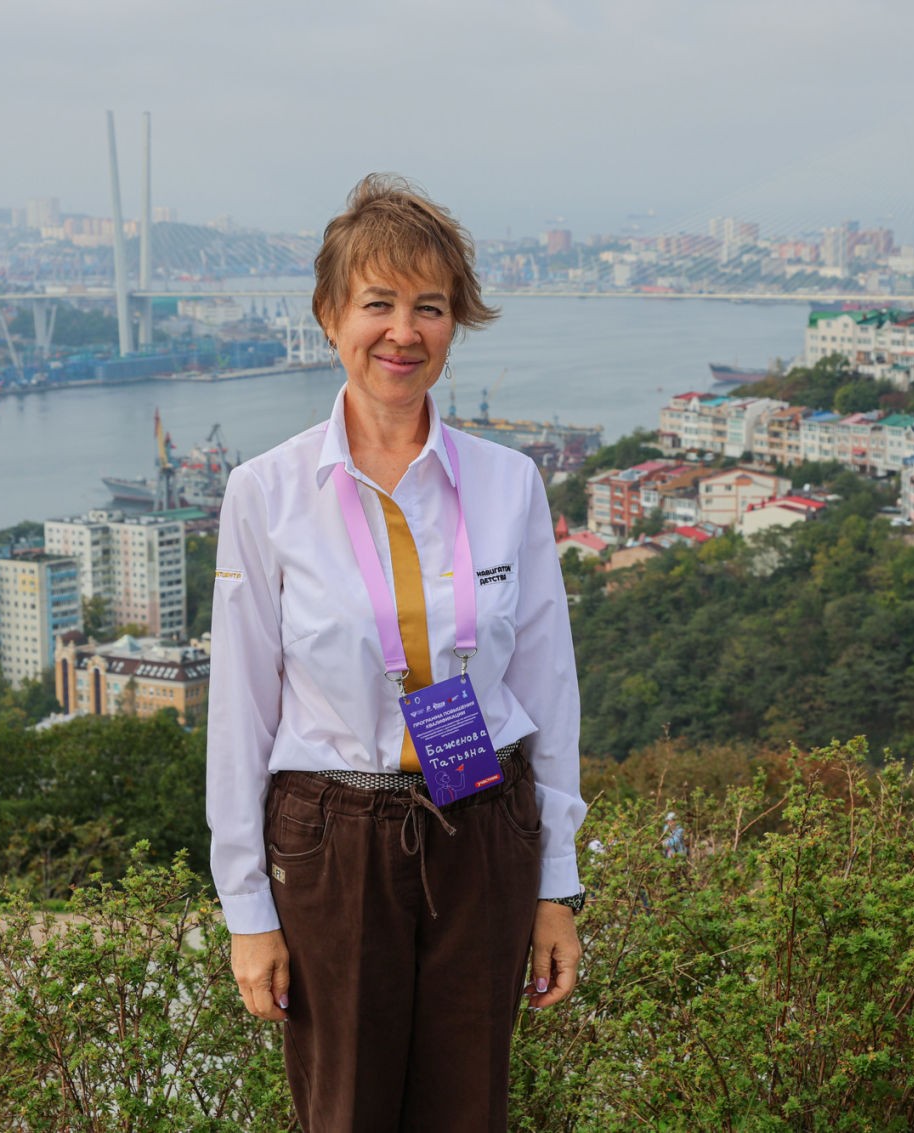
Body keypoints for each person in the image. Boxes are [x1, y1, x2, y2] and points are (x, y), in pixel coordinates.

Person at [206, 173, 588, 1131]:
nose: (403, 332)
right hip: (334, 838)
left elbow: (549, 689)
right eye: (378, 303)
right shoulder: (266, 493)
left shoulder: (509, 483)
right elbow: (240, 712)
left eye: (431, 306)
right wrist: (246, 908)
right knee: (346, 1111)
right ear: (330, 316)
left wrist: (556, 884)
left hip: (484, 822)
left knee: (469, 1110)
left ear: (455, 324)